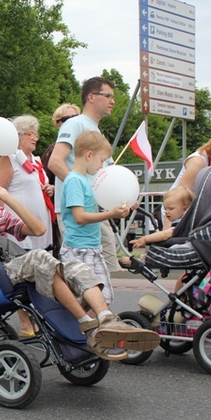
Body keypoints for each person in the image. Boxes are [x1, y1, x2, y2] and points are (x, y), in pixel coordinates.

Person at [0, 151, 160, 361]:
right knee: (39, 257)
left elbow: (38, 230)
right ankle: (87, 323)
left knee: (76, 267)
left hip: (6, 268)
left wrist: (6, 197)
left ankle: (106, 319)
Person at [49, 77, 121, 272]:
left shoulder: (95, 130)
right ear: (91, 97)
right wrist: (83, 191)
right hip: (78, 211)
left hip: (94, 209)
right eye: (108, 96)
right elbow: (55, 161)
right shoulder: (75, 124)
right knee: (85, 275)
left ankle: (101, 303)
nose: (112, 101)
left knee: (105, 271)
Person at [0, 115, 54, 337]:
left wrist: (50, 190)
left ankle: (37, 317)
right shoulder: (8, 160)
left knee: (39, 272)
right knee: (22, 274)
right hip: (18, 229)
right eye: (31, 133)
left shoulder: (35, 162)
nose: (36, 137)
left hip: (37, 227)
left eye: (36, 133)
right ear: (17, 135)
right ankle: (25, 322)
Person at [61, 131, 129, 307]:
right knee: (86, 299)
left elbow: (92, 207)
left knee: (104, 298)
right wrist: (111, 214)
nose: (102, 166)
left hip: (92, 246)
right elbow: (80, 217)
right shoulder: (75, 181)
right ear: (89, 155)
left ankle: (89, 330)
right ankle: (82, 331)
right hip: (78, 248)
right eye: (101, 160)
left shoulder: (85, 180)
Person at [120, 187, 194, 270]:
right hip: (186, 250)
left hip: (184, 252)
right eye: (165, 209)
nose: (166, 211)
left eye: (171, 208)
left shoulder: (182, 223)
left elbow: (165, 235)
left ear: (184, 209)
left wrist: (144, 240)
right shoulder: (186, 221)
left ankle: (144, 260)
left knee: (162, 248)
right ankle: (144, 259)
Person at [42, 103, 80, 186]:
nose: (71, 121)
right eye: (66, 119)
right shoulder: (53, 149)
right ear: (57, 124)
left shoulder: (85, 145)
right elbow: (45, 177)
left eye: (75, 117)